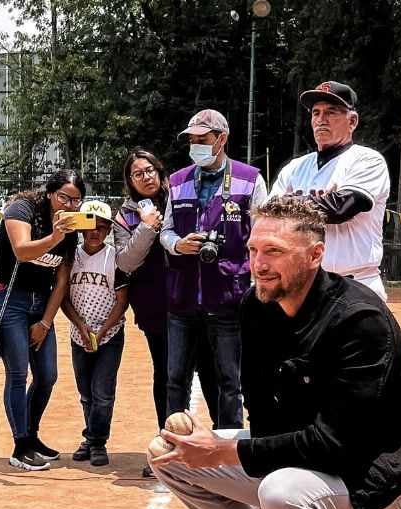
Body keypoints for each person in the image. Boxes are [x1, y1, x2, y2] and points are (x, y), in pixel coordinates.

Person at [150, 197, 401, 509]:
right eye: (253, 249)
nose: (259, 265)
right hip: (311, 470)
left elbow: (335, 444)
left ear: (315, 255)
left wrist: (222, 451)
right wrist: (210, 447)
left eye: (274, 251)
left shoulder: (359, 320)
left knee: (284, 494)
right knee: (169, 455)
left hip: (378, 489)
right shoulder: (257, 307)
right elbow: (264, 420)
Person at [113, 148, 218, 478]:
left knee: (211, 371)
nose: (145, 177)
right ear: (129, 181)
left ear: (160, 172)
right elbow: (126, 262)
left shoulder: (184, 199)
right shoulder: (126, 216)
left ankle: (219, 444)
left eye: (149, 170)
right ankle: (171, 442)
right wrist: (146, 228)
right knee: (168, 375)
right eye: (137, 173)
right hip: (156, 305)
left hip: (194, 299)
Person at [160, 109, 268, 429]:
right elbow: (165, 230)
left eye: (202, 140)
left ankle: (230, 450)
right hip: (183, 297)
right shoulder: (178, 181)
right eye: (191, 141)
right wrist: (177, 244)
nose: (196, 146)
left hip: (228, 296)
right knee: (175, 379)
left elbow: (262, 233)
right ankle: (172, 444)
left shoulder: (250, 179)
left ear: (221, 139)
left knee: (230, 382)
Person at [0, 169, 83, 471]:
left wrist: (45, 322)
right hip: (10, 299)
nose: (69, 206)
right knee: (18, 373)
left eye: (76, 201)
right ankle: (20, 447)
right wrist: (55, 235)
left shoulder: (71, 229)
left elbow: (61, 281)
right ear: (49, 194)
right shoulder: (22, 209)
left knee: (47, 375)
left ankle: (31, 437)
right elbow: (21, 251)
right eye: (64, 198)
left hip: (40, 302)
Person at [268, 80, 390, 300]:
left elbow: (340, 208)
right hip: (303, 286)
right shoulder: (296, 168)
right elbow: (270, 215)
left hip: (354, 284)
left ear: (352, 121)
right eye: (316, 113)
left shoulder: (368, 160)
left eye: (331, 112)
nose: (321, 120)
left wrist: (290, 205)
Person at [61, 200, 129, 467]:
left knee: (103, 392)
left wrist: (100, 333)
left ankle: (97, 441)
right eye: (90, 227)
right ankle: (91, 438)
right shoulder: (72, 257)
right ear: (81, 229)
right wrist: (80, 325)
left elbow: (123, 300)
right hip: (79, 334)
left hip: (109, 335)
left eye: (102, 227)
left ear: (109, 230)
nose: (95, 232)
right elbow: (63, 297)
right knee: (86, 393)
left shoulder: (115, 258)